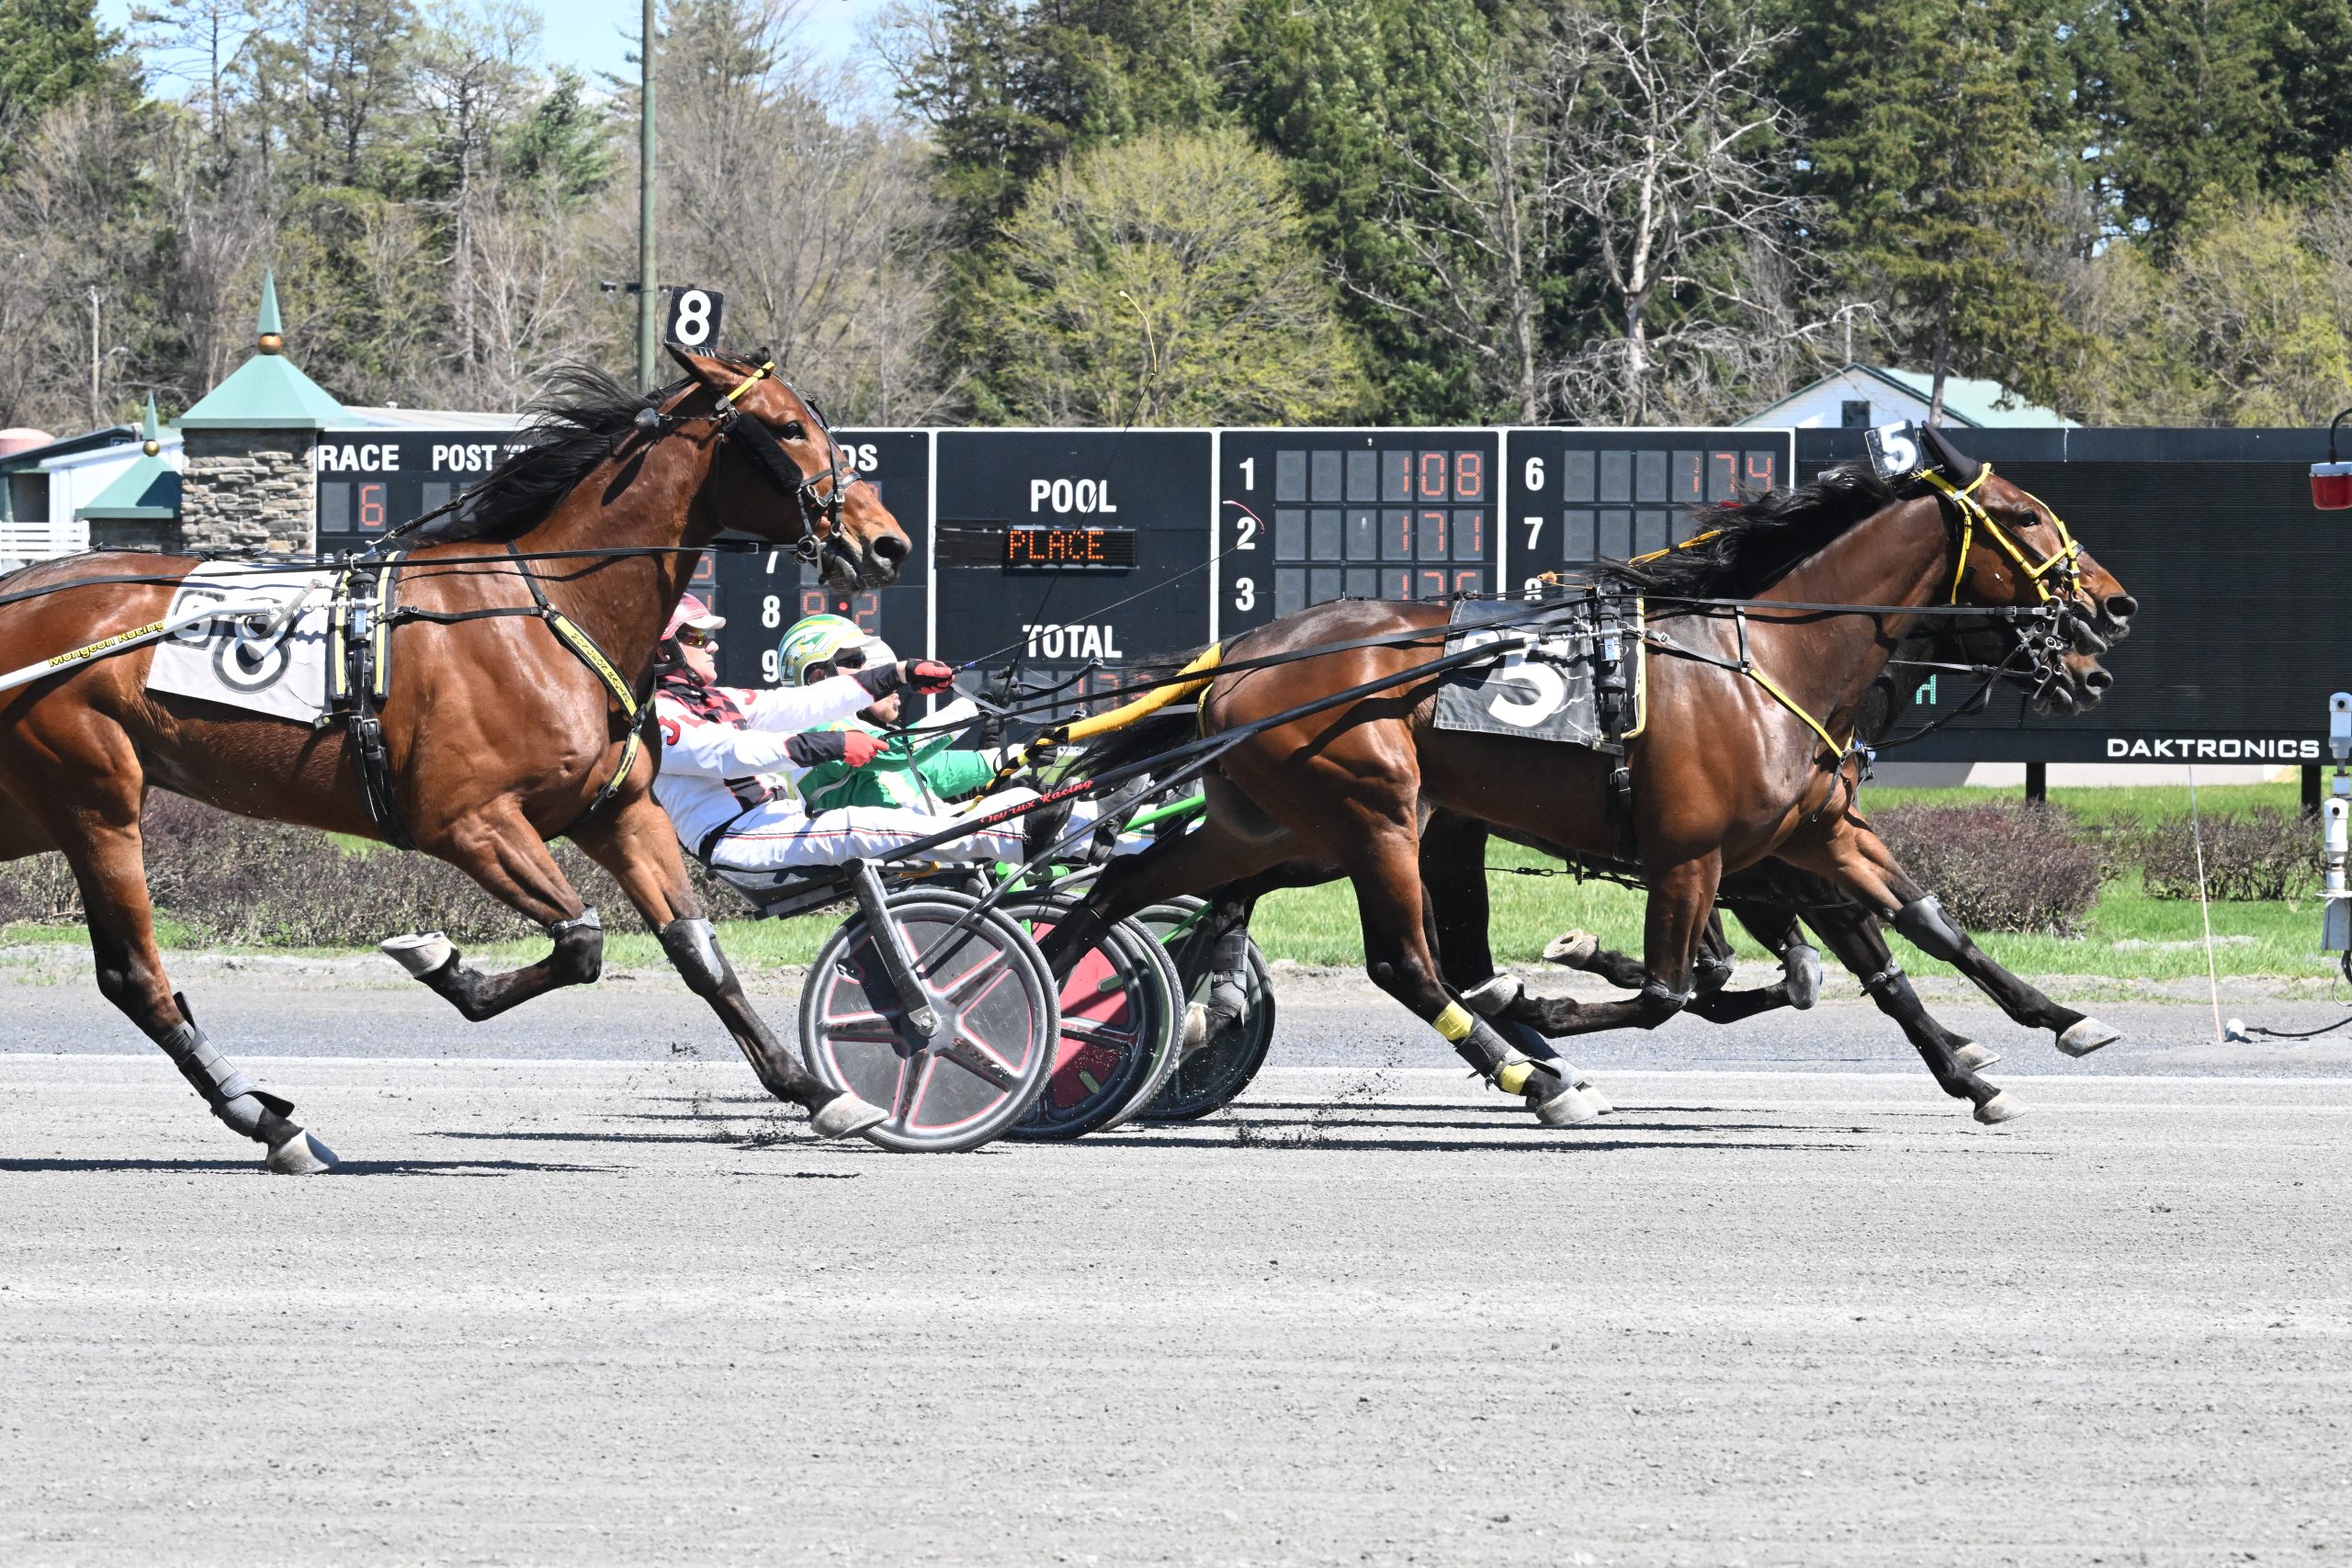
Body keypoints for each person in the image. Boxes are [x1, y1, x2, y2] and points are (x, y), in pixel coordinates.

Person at [650, 596, 1044, 874]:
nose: (714, 644)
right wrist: (834, 743)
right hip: (734, 837)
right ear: (664, 649)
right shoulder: (656, 716)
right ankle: (1027, 833)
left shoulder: (723, 697)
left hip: (774, 819)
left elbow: (804, 701)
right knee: (856, 825)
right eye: (698, 638)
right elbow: (733, 753)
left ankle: (1077, 829)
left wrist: (901, 672)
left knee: (1018, 801)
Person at [778, 614, 1004, 814]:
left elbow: (940, 768)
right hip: (882, 855)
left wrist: (1022, 753)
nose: (866, 669)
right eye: (855, 662)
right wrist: (975, 704)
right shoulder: (816, 728)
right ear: (818, 677)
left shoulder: (852, 735)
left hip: (914, 851)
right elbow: (898, 751)